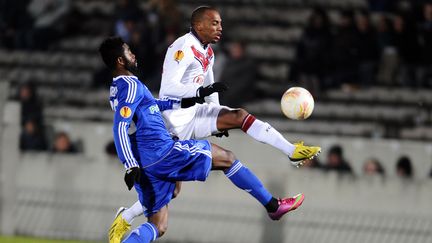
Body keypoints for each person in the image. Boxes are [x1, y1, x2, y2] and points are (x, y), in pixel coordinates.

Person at [109, 6, 321, 242]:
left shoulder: (208, 52)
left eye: (220, 23)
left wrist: (216, 114)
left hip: (191, 115)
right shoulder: (182, 47)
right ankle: (127, 216)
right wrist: (200, 92)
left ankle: (291, 152)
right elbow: (170, 91)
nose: (220, 28)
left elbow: (210, 90)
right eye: (215, 23)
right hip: (173, 125)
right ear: (199, 26)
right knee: (177, 190)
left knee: (238, 116)